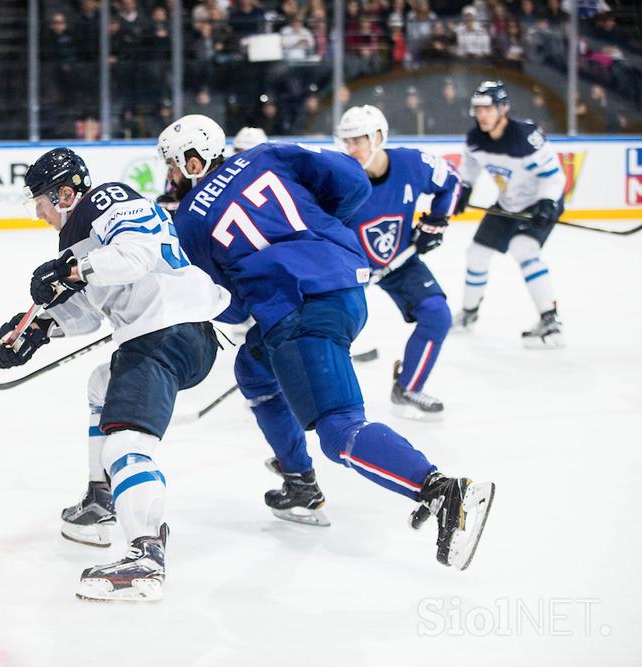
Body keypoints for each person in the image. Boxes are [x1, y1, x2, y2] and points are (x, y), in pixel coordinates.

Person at [157, 114, 495, 571]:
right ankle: (299, 482)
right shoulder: (267, 153)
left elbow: (231, 308)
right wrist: (318, 241)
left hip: (302, 313)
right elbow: (353, 182)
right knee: (253, 368)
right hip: (346, 283)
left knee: (340, 431)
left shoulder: (190, 222)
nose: (172, 176)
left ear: (193, 160)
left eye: (175, 166)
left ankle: (441, 492)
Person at [0, 148, 229, 601]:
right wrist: (36, 331)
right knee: (100, 384)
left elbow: (137, 255)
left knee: (127, 443)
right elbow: (85, 313)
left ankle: (145, 554)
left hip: (169, 329)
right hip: (164, 333)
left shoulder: (108, 200)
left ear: (64, 193)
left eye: (40, 201)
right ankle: (102, 500)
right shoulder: (79, 236)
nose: (38, 213)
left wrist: (73, 271)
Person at [336, 105, 460, 420]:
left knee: (437, 315)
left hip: (399, 261)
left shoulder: (412, 163)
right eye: (346, 141)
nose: (351, 149)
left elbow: (451, 181)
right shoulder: (337, 176)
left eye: (358, 140)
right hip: (349, 271)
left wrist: (436, 220)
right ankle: (284, 386)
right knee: (323, 333)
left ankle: (408, 386)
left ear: (377, 137)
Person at [452, 81, 567, 348]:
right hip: (508, 203)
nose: (482, 115)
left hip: (541, 201)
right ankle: (469, 313)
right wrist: (465, 187)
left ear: (503, 108)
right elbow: (469, 163)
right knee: (476, 253)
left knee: (523, 247)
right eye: (478, 109)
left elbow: (554, 177)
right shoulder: (476, 138)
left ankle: (550, 319)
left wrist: (547, 203)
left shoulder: (526, 137)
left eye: (488, 109)